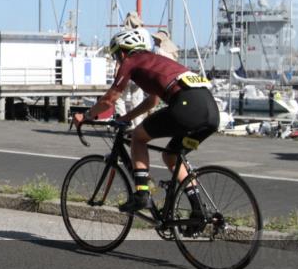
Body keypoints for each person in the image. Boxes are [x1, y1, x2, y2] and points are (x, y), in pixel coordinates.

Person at [72, 28, 219, 217]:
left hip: (186, 106)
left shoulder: (131, 61)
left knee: (138, 138)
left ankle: (142, 194)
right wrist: (126, 118)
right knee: (172, 157)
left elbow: (110, 99)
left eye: (116, 56)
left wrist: (86, 116)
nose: (117, 61)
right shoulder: (157, 61)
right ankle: (199, 210)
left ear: (123, 51)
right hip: (210, 113)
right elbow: (152, 101)